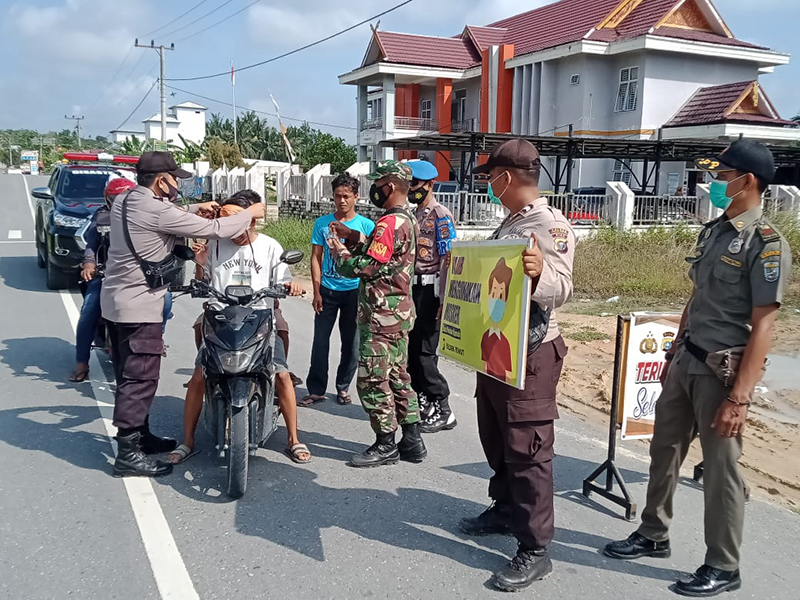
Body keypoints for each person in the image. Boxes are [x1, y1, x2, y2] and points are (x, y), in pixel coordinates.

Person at [602, 139, 792, 598]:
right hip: (688, 358)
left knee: (722, 471)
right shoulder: (715, 231)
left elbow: (765, 326)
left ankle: (724, 565)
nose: (715, 183)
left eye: (723, 176)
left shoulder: (766, 244)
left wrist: (739, 398)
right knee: (664, 450)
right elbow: (697, 296)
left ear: (747, 181)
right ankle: (653, 533)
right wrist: (674, 352)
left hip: (722, 371)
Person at [101, 151, 266, 478]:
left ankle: (141, 437)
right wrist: (249, 213)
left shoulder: (125, 201)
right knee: (140, 378)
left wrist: (192, 209)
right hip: (139, 307)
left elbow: (166, 214)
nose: (178, 183)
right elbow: (216, 229)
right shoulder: (156, 209)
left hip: (115, 303)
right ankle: (128, 454)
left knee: (128, 374)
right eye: (175, 178)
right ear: (162, 180)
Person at [458, 139, 574, 592]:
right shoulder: (511, 220)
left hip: (533, 352)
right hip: (498, 347)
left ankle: (535, 547)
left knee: (528, 449)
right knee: (496, 434)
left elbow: (561, 286)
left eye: (491, 176)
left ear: (508, 177)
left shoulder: (551, 225)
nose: (488, 184)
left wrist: (537, 271)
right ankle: (505, 509)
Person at [168, 194, 310, 465]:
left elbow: (284, 281)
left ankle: (293, 438)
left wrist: (292, 286)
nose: (229, 227)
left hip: (259, 317)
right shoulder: (214, 244)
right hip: (221, 317)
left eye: (235, 220)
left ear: (251, 220)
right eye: (225, 220)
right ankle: (187, 440)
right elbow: (202, 283)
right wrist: (199, 263)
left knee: (280, 374)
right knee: (199, 375)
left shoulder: (270, 246)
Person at [327, 160, 426, 467]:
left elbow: (370, 267)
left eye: (379, 182)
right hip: (398, 314)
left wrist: (340, 253)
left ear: (392, 186)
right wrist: (352, 236)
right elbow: (381, 252)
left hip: (381, 315)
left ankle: (386, 444)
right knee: (398, 376)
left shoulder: (388, 223)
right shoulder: (406, 219)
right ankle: (412, 440)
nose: (375, 189)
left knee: (371, 379)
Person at [302, 173, 375, 406]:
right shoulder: (322, 224)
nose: (341, 201)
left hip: (354, 291)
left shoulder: (366, 225)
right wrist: (317, 291)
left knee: (351, 344)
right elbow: (316, 257)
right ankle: (316, 389)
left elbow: (373, 259)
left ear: (356, 197)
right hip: (328, 290)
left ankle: (343, 387)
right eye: (337, 196)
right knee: (320, 341)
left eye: (346, 196)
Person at [405, 160, 457, 433]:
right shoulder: (414, 214)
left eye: (414, 185)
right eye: (409, 184)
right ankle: (423, 399)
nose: (411, 189)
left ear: (429, 185)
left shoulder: (440, 215)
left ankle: (443, 407)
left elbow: (448, 258)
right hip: (413, 287)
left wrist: (443, 299)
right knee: (412, 351)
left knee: (425, 351)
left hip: (431, 289)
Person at [70, 177, 137, 382]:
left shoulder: (145, 216)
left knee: (167, 303)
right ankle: (82, 363)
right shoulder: (101, 217)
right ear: (108, 199)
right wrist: (89, 263)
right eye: (116, 198)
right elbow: (91, 242)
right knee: (89, 310)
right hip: (106, 275)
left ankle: (156, 340)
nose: (121, 203)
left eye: (125, 198)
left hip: (138, 277)